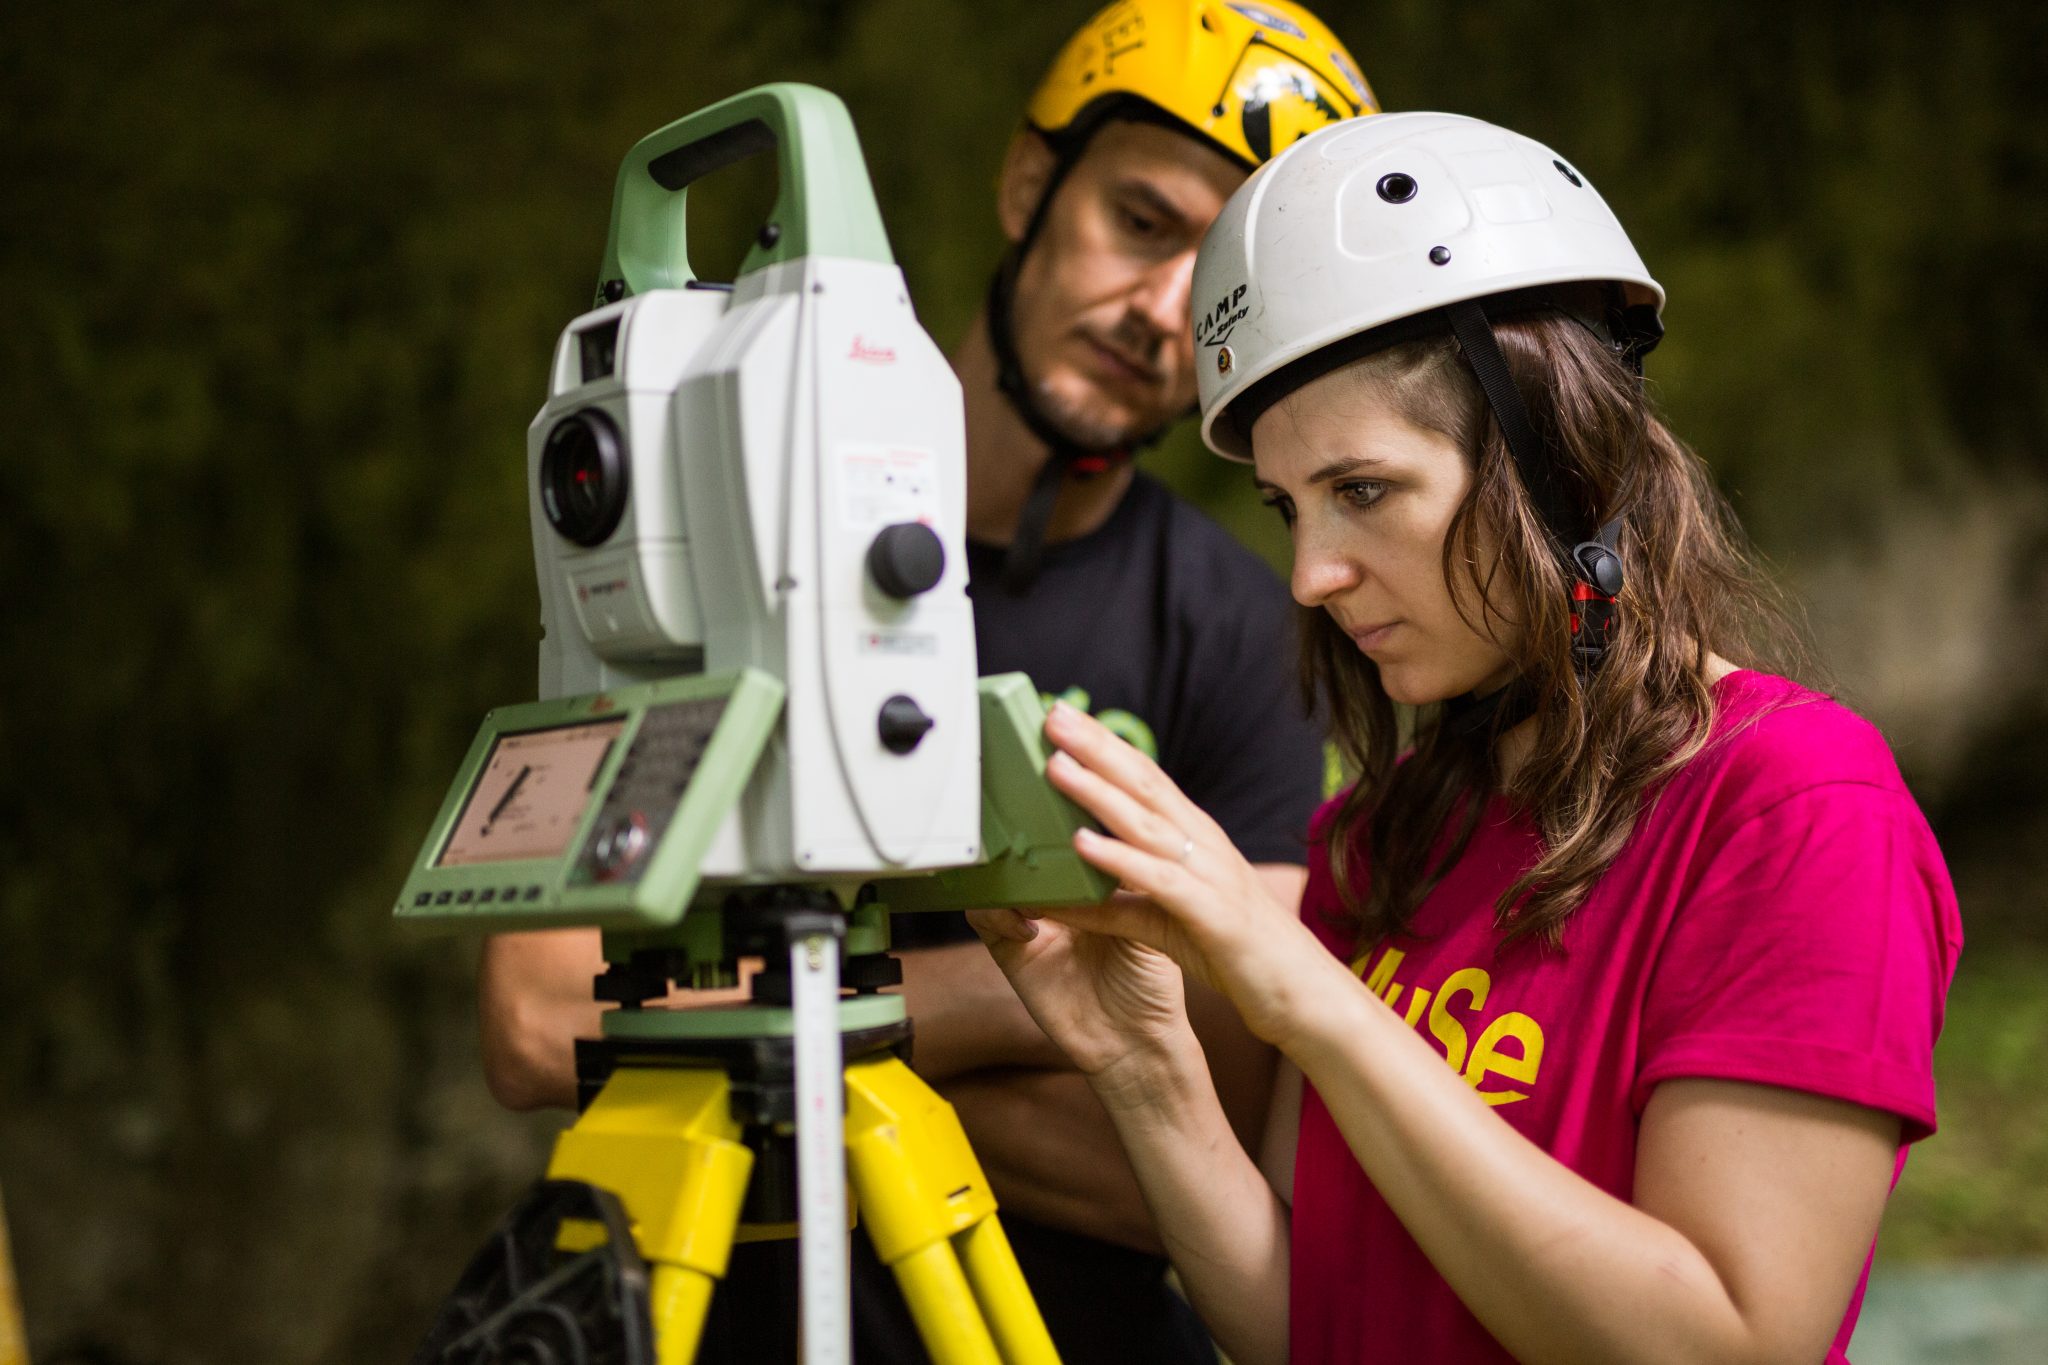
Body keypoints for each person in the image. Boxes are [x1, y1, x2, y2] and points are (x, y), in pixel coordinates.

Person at [969, 111, 1962, 1365]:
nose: (1311, 574)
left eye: (1363, 491)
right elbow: (1304, 1328)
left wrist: (1310, 1003)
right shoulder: (1379, 839)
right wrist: (1144, 1064)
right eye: (1289, 509)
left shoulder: (1794, 808)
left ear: (1559, 455)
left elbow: (1724, 1345)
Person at [476, 4, 1379, 1361]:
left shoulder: (1256, 629)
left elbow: (1201, 1166)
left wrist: (757, 1037)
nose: (1162, 311)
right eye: (1141, 220)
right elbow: (541, 1016)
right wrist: (1044, 995)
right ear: (1032, 186)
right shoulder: (708, 529)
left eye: (1222, 286)